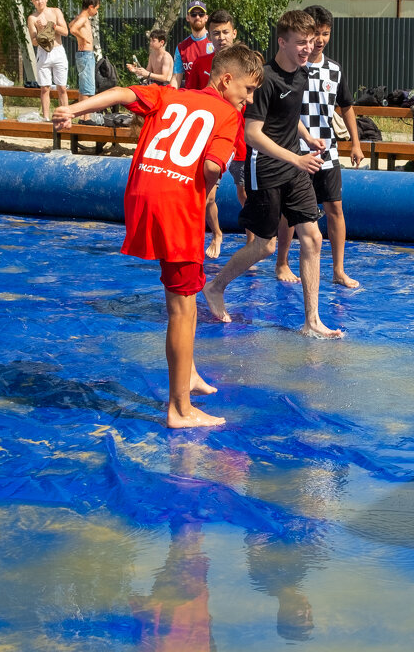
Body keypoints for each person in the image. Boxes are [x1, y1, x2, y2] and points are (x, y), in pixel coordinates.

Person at [52, 44, 265, 428]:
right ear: (227, 79)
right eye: (247, 90)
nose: (248, 99)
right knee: (183, 310)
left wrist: (73, 109)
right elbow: (213, 167)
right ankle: (180, 409)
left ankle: (190, 375)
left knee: (179, 296)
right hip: (176, 205)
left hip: (141, 192)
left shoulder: (171, 92)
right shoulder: (228, 115)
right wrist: (207, 190)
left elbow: (122, 93)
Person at [202, 10, 342, 339]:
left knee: (313, 238)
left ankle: (311, 321)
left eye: (311, 42)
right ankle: (216, 286)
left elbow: (287, 114)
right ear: (282, 42)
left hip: (295, 165)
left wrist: (306, 136)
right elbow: (253, 133)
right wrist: (296, 157)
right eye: (301, 43)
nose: (309, 48)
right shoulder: (265, 79)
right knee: (264, 247)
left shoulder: (303, 75)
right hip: (265, 167)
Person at [274, 4, 365, 289]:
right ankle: (282, 262)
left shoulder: (334, 70)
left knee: (335, 208)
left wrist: (356, 143)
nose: (320, 40)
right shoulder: (293, 67)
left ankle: (338, 269)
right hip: (295, 151)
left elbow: (347, 106)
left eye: (326, 34)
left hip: (328, 151)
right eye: (316, 34)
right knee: (290, 211)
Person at [185, 9, 239, 259]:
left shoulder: (244, 63)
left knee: (245, 194)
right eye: (215, 33)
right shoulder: (201, 64)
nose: (221, 37)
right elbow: (191, 99)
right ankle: (215, 233)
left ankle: (252, 245)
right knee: (206, 197)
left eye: (225, 32)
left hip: (239, 139)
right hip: (210, 140)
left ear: (233, 33)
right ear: (209, 35)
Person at [26, 0, 69, 123]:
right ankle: (45, 117)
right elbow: (33, 42)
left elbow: (65, 32)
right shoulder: (32, 18)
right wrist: (41, 31)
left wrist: (51, 26)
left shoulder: (55, 11)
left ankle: (65, 115)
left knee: (61, 87)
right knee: (45, 88)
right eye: (37, 0)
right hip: (43, 53)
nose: (40, 2)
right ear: (33, 1)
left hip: (58, 51)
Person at [170, 1, 212, 89]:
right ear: (188, 17)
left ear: (206, 18)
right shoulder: (181, 48)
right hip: (191, 97)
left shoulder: (215, 42)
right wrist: (170, 94)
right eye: (193, 14)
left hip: (211, 97)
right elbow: (176, 77)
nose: (197, 17)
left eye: (201, 14)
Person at [69, 0, 100, 98]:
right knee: (88, 89)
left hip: (83, 55)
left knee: (83, 88)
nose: (96, 12)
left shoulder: (80, 17)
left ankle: (83, 114)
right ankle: (86, 115)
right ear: (91, 7)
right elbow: (73, 29)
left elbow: (70, 24)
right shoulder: (83, 18)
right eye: (96, 9)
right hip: (86, 55)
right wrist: (83, 38)